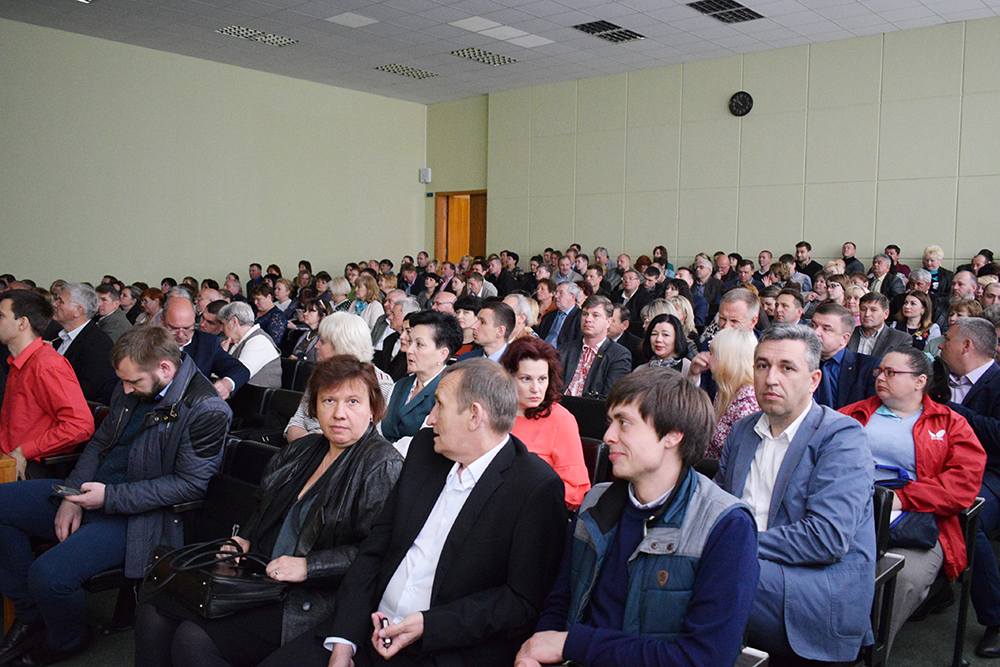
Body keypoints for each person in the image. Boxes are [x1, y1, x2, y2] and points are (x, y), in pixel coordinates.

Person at [256, 358, 567, 667]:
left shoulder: (534, 488)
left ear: (474, 415)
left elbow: (520, 601)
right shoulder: (425, 451)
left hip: (440, 648)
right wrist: (344, 641)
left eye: (439, 405)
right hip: (366, 629)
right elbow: (374, 550)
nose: (430, 418)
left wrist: (429, 625)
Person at [134, 356, 403, 667]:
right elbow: (264, 506)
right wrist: (244, 539)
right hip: (260, 575)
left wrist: (309, 567)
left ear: (373, 409)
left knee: (192, 640)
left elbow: (374, 554)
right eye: (329, 400)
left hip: (309, 599)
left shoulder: (381, 465)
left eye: (352, 402)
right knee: (153, 615)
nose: (339, 413)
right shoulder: (304, 449)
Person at [0, 326, 231, 667]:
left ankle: (66, 640)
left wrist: (109, 497)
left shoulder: (206, 409)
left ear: (165, 368)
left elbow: (189, 485)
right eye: (123, 381)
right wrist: (71, 495)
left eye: (133, 382)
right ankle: (31, 613)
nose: (125, 389)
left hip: (140, 517)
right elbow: (99, 444)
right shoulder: (133, 387)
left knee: (47, 575)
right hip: (92, 493)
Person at [516, 366, 759, 667]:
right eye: (610, 422)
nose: (608, 436)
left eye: (624, 423)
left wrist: (574, 644)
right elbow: (561, 601)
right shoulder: (595, 502)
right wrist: (537, 652)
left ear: (673, 435)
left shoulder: (726, 525)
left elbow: (706, 657)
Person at [716, 324, 875, 665]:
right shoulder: (743, 430)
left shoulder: (842, 437)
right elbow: (717, 506)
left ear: (814, 380)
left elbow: (826, 538)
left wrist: (733, 544)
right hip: (746, 568)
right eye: (762, 365)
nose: (770, 379)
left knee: (711, 576)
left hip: (814, 584)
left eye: (787, 368)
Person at [840, 347, 985, 656]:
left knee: (902, 577)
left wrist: (901, 499)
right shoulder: (852, 413)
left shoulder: (950, 423)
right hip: (849, 510)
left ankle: (868, 655)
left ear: (920, 381)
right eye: (879, 371)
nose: (881, 377)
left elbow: (963, 484)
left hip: (917, 522)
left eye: (891, 372)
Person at [934, 317, 1000, 657]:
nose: (941, 346)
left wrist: (954, 412)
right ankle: (937, 589)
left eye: (947, 339)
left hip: (991, 474)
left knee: (964, 515)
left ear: (967, 346)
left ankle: (996, 618)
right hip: (942, 467)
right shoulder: (939, 376)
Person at [0, 289, 94, 480]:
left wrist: (24, 451)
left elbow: (80, 425)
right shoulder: (21, 361)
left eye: (1, 316)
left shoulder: (47, 365)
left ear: (22, 323)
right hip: (8, 457)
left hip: (29, 466)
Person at [500, 336, 591, 510]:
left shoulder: (561, 419)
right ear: (508, 378)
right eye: (526, 379)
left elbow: (576, 492)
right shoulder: (493, 412)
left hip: (534, 509)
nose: (536, 389)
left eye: (542, 379)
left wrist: (528, 495)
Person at [284, 312, 395, 444]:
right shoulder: (321, 375)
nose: (316, 346)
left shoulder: (380, 383)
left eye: (322, 341)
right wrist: (314, 445)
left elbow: (375, 440)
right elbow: (295, 425)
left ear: (341, 347)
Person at [380, 310, 463, 447]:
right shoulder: (400, 385)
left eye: (419, 344)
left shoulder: (451, 392)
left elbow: (423, 443)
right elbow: (379, 429)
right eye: (410, 342)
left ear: (442, 354)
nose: (409, 350)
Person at [162, 297, 250, 399]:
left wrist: (227, 383)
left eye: (187, 328)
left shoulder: (207, 343)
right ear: (162, 320)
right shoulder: (149, 341)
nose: (181, 335)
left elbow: (240, 370)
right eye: (174, 329)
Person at [49, 282, 116, 403]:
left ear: (78, 311)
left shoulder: (98, 343)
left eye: (61, 301)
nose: (54, 304)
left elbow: (88, 390)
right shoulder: (55, 334)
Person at [559, 295, 631, 400]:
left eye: (596, 315)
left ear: (608, 322)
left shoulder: (619, 355)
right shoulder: (565, 349)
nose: (588, 319)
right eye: (585, 314)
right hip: (559, 405)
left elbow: (609, 397)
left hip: (592, 408)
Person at [810, 302, 879, 411]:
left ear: (844, 338)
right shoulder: (799, 362)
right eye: (813, 325)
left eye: (826, 329)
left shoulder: (868, 367)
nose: (815, 332)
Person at [704, 327, 758, 459]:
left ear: (726, 360)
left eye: (712, 354)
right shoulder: (725, 390)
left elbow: (742, 459)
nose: (708, 359)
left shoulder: (748, 403)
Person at [219, 301, 281, 388]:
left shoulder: (259, 341)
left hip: (255, 395)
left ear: (234, 322)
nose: (221, 329)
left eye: (223, 324)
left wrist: (222, 356)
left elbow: (238, 374)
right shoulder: (235, 341)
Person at [849, 292, 913, 358]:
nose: (867, 314)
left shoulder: (900, 340)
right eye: (863, 309)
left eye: (873, 310)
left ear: (886, 314)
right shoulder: (849, 333)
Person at [537, 282, 583, 348]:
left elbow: (577, 345)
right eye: (556, 292)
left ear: (573, 297)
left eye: (561, 293)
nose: (556, 296)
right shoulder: (547, 317)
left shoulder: (580, 317)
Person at [289, 298, 329, 362]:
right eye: (305, 310)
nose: (305, 314)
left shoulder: (325, 337)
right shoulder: (306, 334)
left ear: (323, 315)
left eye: (311, 311)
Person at [252, 283, 288, 347]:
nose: (255, 302)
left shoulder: (277, 316)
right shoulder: (254, 311)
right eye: (254, 299)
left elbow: (273, 342)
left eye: (258, 299)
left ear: (269, 297)